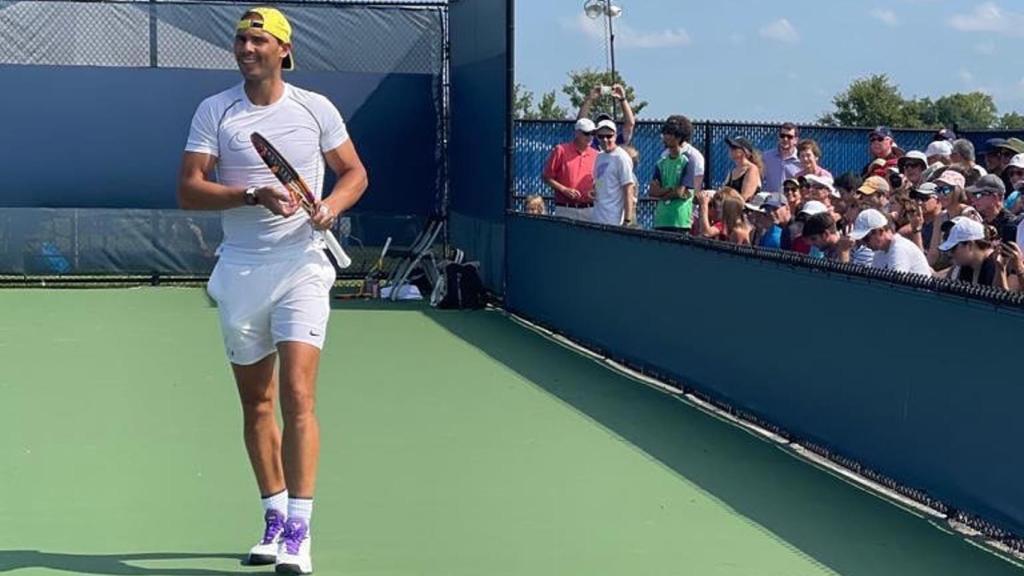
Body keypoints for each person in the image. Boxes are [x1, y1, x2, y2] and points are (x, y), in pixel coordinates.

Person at [177, 7, 369, 575]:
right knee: (256, 402)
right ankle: (274, 515)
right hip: (240, 268)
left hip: (303, 266)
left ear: (284, 50)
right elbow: (190, 190)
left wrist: (331, 205)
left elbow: (355, 172)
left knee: (297, 396)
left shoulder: (316, 108)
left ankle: (300, 532)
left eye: (258, 39)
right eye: (240, 38)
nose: (246, 47)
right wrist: (251, 195)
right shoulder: (216, 111)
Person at [939, 217, 1022, 291]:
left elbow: (1001, 303)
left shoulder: (1000, 263)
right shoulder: (961, 268)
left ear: (970, 245)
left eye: (953, 249)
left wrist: (1000, 270)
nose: (950, 254)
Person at [541, 118, 598, 221]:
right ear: (577, 133)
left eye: (593, 133)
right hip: (565, 208)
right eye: (586, 133)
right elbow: (546, 177)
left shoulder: (596, 154)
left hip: (590, 209)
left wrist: (595, 190)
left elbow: (599, 180)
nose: (590, 137)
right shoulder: (561, 150)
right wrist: (564, 190)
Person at [850, 209, 932, 276]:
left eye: (866, 238)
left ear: (881, 231)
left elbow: (895, 287)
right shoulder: (879, 253)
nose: (864, 244)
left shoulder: (899, 248)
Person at [590, 119, 636, 226]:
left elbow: (628, 189)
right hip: (597, 217)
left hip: (614, 221)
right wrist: (595, 190)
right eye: (601, 136)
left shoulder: (621, 158)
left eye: (609, 136)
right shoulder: (599, 156)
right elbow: (601, 181)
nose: (605, 139)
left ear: (615, 136)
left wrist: (627, 220)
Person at [649, 120, 692, 233]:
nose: (666, 137)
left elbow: (680, 192)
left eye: (670, 133)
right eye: (665, 133)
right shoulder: (661, 163)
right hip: (661, 220)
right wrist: (669, 189)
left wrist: (662, 193)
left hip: (679, 220)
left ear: (678, 138)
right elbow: (653, 191)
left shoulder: (687, 161)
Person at [762, 122, 802, 193]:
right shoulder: (766, 157)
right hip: (771, 201)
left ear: (796, 140)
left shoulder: (801, 160)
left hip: (791, 202)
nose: (785, 139)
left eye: (789, 137)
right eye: (782, 136)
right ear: (778, 137)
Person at [724, 136, 763, 201]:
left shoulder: (752, 169)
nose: (730, 149)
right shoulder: (733, 171)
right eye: (730, 147)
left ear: (744, 151)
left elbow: (745, 198)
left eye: (734, 147)